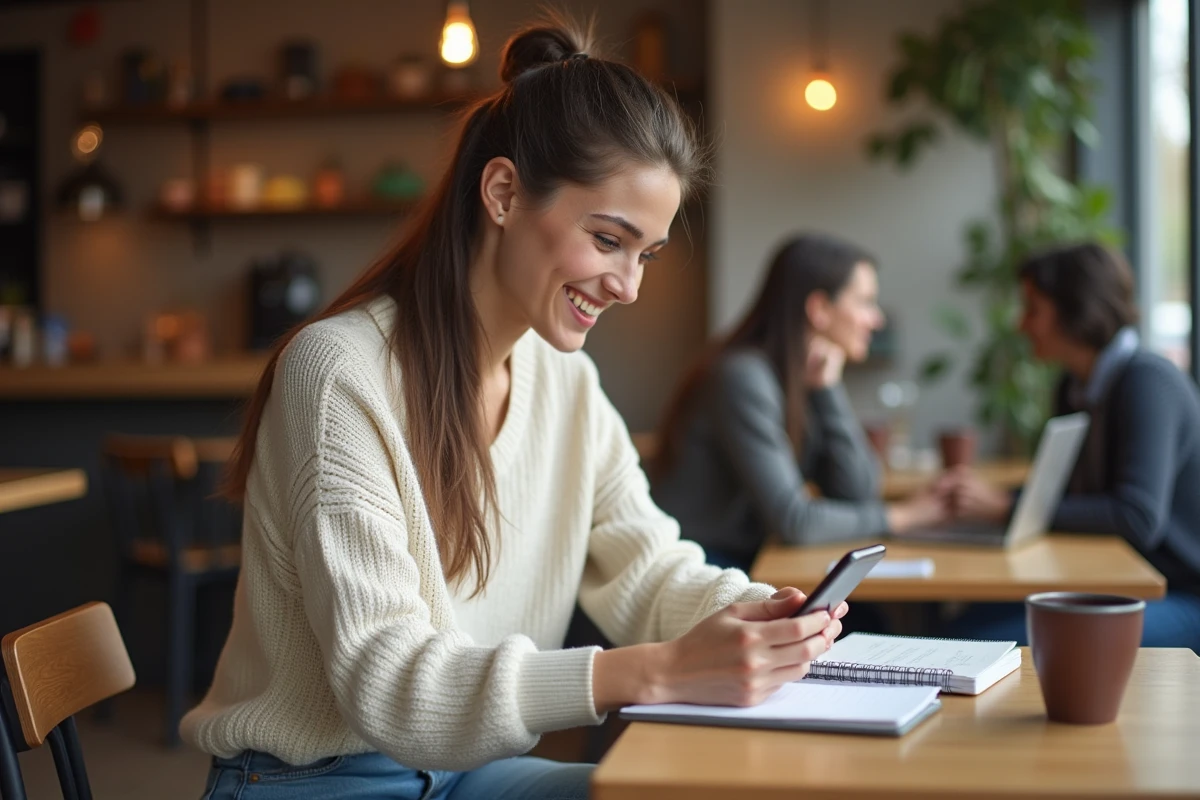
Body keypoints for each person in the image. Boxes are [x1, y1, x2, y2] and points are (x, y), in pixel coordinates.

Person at [181, 18, 846, 800]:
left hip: (462, 771)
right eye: (607, 240)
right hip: (311, 781)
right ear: (502, 194)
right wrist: (656, 671)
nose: (628, 285)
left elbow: (646, 566)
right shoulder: (338, 372)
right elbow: (391, 685)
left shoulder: (565, 383)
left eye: (646, 254)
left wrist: (761, 614)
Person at [941, 242, 1200, 651]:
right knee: (949, 632)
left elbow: (1136, 517)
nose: (1021, 324)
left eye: (1033, 309)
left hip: (1178, 594)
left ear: (1077, 309)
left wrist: (1006, 507)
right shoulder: (1074, 386)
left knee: (969, 644)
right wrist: (995, 500)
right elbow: (1064, 496)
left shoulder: (1147, 383)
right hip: (1109, 583)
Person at [649, 234, 949, 572]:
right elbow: (795, 521)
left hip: (747, 559)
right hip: (697, 567)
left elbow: (860, 492)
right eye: (865, 302)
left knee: (869, 616)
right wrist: (903, 516)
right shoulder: (742, 377)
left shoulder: (803, 379)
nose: (876, 319)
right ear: (819, 309)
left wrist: (828, 390)